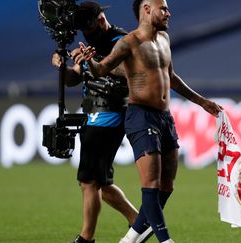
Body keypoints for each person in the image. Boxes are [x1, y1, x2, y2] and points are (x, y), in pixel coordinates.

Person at [76, 0, 223, 242]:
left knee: (167, 186)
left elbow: (171, 77)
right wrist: (87, 61)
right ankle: (166, 240)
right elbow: (101, 70)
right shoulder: (128, 42)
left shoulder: (164, 39)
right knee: (152, 185)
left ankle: (129, 240)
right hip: (141, 115)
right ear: (146, 10)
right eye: (163, 8)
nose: (168, 12)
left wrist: (202, 102)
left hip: (165, 116)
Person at [51, 2, 139, 243]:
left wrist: (94, 58)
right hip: (92, 113)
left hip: (110, 113)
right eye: (83, 30)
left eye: (89, 27)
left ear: (101, 19)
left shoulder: (121, 40)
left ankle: (86, 238)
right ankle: (140, 221)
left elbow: (128, 72)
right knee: (99, 182)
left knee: (88, 180)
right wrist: (63, 67)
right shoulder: (89, 42)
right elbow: (73, 79)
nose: (87, 33)